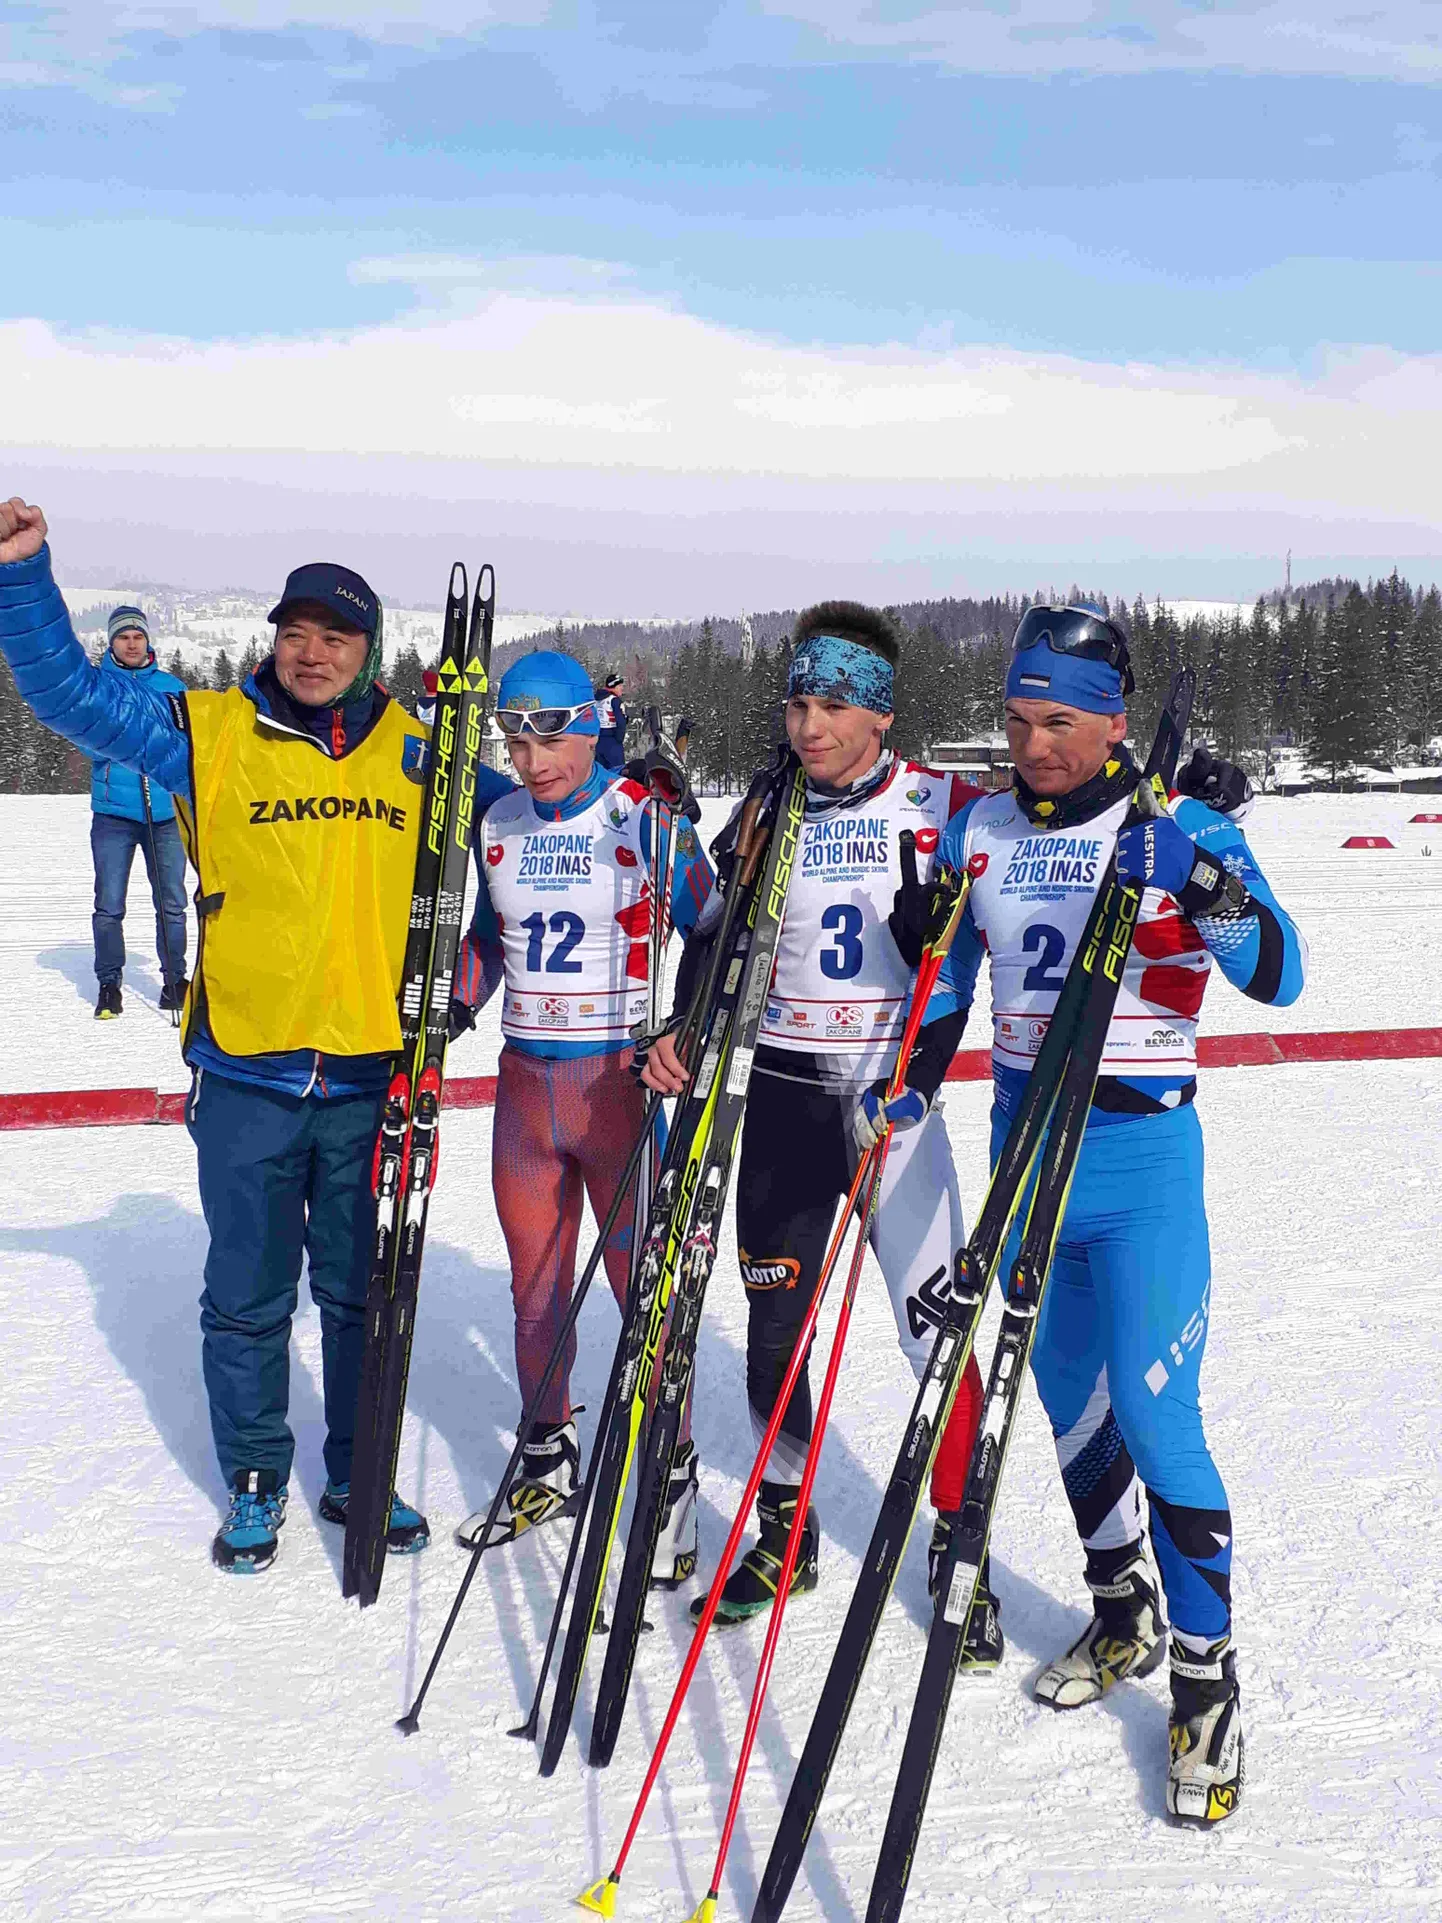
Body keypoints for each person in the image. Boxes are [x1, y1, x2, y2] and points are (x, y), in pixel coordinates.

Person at [0, 495, 439, 1576]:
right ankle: (253, 1476)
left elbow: (522, 830)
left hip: (370, 1075)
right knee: (247, 1294)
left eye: (334, 636)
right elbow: (69, 693)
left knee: (357, 1293)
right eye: (294, 632)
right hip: (245, 1069)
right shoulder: (212, 733)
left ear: (365, 649)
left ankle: (355, 1470)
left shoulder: (427, 753)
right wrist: (22, 575)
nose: (310, 652)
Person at [933, 603, 1307, 1824]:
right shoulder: (982, 828)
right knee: (1066, 1402)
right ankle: (1118, 1608)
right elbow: (943, 990)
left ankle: (1206, 1678)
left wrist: (1198, 879)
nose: (1032, 743)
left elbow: (1276, 976)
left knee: (1159, 1421)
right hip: (1023, 1159)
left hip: (1140, 1160)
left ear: (1109, 724)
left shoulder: (1175, 822)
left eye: (1057, 721)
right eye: (1015, 717)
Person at [643, 602, 1000, 1655]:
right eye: (797, 702)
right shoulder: (765, 805)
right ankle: (783, 1529)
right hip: (788, 1098)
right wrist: (685, 1028)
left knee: (934, 1334)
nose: (809, 725)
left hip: (891, 1106)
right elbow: (713, 935)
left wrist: (924, 1065)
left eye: (833, 705)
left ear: (879, 715)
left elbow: (991, 944)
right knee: (771, 1329)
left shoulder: (949, 806)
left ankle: (957, 1541)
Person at [450, 649, 715, 1584]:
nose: (533, 757)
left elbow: (714, 932)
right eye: (515, 738)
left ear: (591, 722)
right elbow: (491, 938)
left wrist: (686, 1027)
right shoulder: (497, 821)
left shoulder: (646, 816)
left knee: (640, 1286)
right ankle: (545, 1456)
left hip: (619, 1086)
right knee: (534, 1290)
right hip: (525, 1085)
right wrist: (452, 1001)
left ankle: (669, 1470)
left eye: (551, 733)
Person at [88, 606, 189, 1019]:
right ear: (112, 642)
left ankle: (174, 980)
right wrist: (135, 744)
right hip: (113, 813)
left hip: (164, 812)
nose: (132, 643)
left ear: (148, 641)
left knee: (172, 904)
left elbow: (187, 742)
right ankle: (109, 982)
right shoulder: (98, 686)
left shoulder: (170, 687)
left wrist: (159, 751)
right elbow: (88, 742)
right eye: (123, 636)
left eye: (138, 636)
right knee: (110, 904)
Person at [593, 671, 627, 771]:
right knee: (618, 772)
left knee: (601, 771)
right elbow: (621, 722)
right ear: (613, 686)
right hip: (612, 740)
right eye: (620, 685)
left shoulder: (597, 700)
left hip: (599, 740)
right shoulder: (614, 700)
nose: (622, 688)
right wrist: (619, 739)